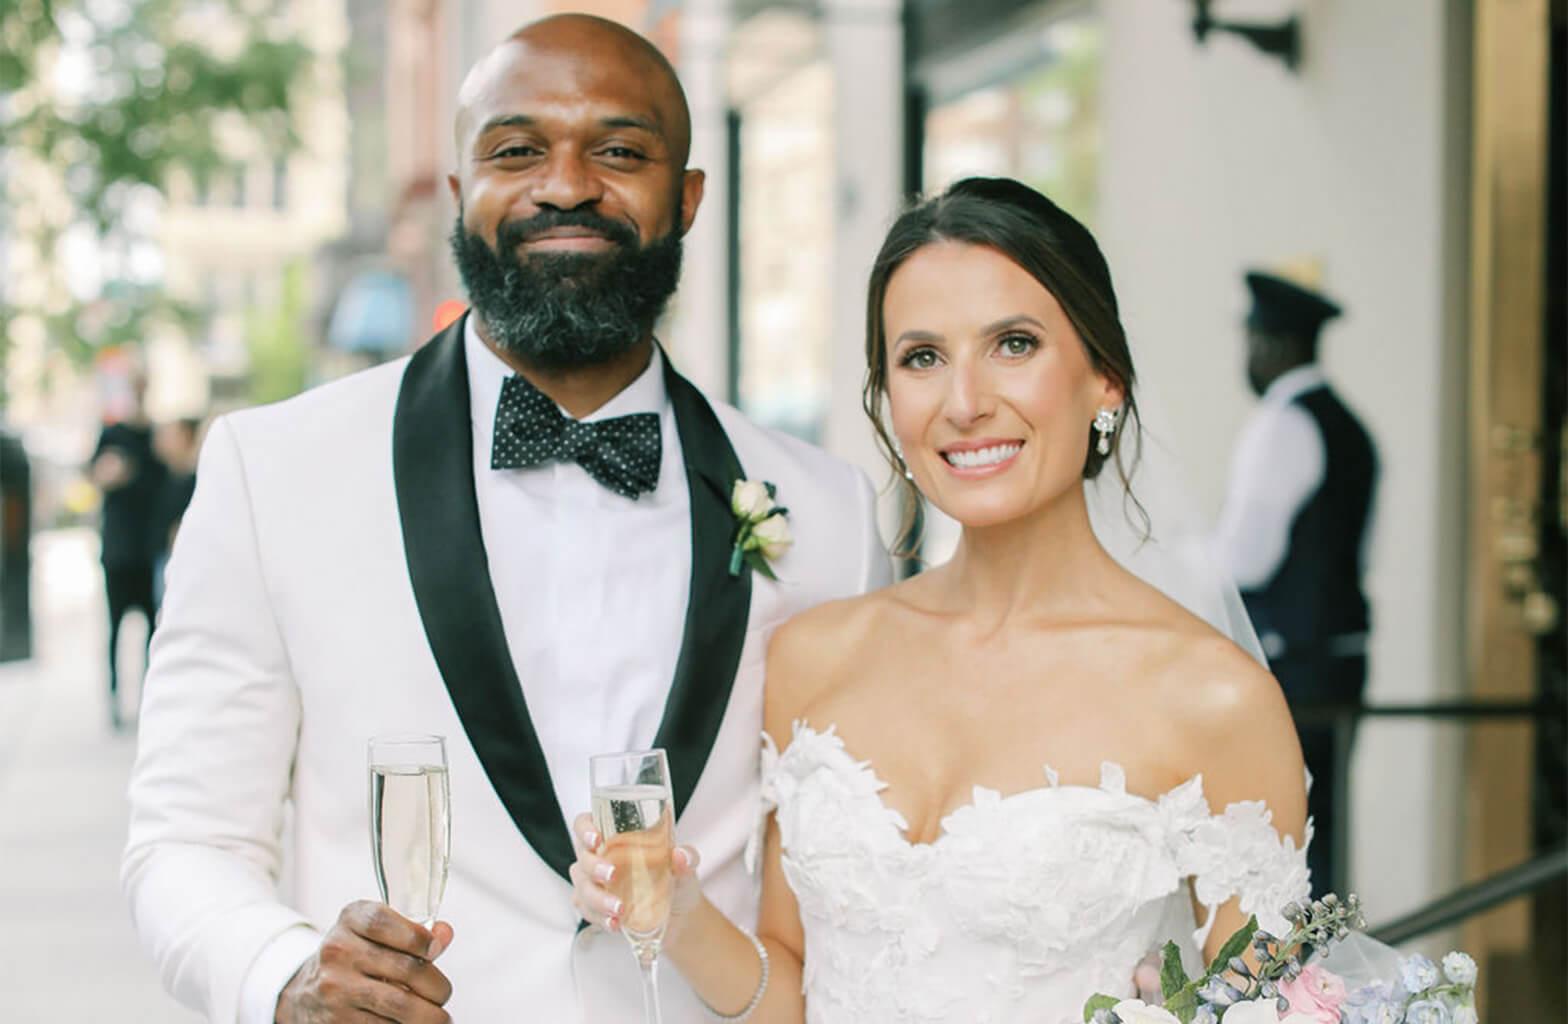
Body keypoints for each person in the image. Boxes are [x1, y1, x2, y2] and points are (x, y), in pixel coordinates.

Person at [122, 15, 889, 1024]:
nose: (565, 185)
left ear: (689, 198)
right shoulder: (273, 472)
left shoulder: (828, 512)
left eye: (618, 151)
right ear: (458, 195)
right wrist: (281, 972)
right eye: (516, 150)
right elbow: (184, 840)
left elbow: (856, 876)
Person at [570, 178, 1312, 1022]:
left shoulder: (1215, 700)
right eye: (922, 358)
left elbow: (1269, 1008)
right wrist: (679, 911)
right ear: (888, 396)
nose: (964, 403)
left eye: (1014, 344)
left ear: (1105, 377)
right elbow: (793, 988)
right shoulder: (814, 657)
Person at [1213, 270, 1378, 897]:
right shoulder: (1350, 428)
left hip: (1295, 666)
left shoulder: (1283, 424)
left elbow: (1245, 560)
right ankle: (1324, 983)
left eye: (1250, 342)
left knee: (1284, 839)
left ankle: (1294, 988)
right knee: (1322, 835)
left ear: (1274, 344)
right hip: (1340, 656)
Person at [90, 370, 168, 730]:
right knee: (116, 628)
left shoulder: (156, 437)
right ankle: (114, 699)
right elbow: (96, 475)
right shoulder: (113, 433)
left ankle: (151, 701)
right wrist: (110, 473)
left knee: (155, 632)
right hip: (119, 551)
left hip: (149, 550)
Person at [151, 416, 202, 606]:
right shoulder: (163, 475)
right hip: (163, 557)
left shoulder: (196, 479)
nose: (163, 441)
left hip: (179, 562)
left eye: (170, 435)